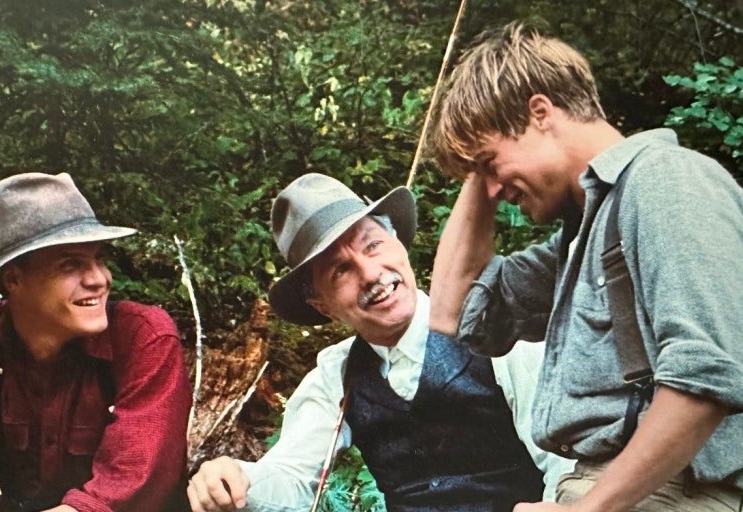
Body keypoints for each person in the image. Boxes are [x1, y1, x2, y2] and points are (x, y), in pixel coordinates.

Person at [428, 22, 743, 512]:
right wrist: (478, 168)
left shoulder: (668, 181)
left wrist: (588, 509)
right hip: (625, 492)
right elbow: (452, 312)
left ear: (540, 113)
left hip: (675, 491)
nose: (493, 191)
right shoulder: (583, 237)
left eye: (490, 164)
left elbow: (704, 379)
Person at [187, 173, 573, 512]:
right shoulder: (336, 376)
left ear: (399, 243)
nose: (371, 274)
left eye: (373, 245)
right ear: (323, 306)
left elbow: (565, 460)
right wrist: (237, 479)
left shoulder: (494, 328)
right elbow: (292, 477)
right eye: (341, 270)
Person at [0, 172, 192, 511]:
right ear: (14, 280)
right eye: (70, 265)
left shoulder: (142, 338)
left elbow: (132, 484)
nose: (99, 279)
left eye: (99, 259)